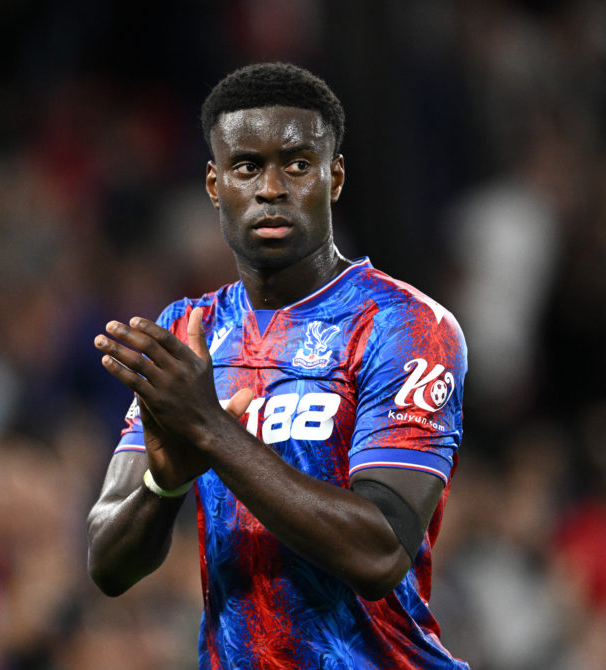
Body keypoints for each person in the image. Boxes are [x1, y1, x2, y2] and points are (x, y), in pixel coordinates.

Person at [87, 62, 469, 669]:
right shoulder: (193, 332)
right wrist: (166, 483)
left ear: (334, 176)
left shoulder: (405, 326)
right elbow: (107, 564)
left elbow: (379, 552)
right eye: (247, 167)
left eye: (297, 164)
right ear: (215, 185)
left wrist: (210, 432)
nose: (271, 188)